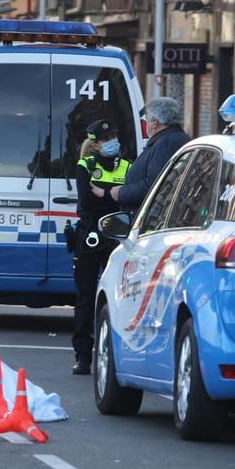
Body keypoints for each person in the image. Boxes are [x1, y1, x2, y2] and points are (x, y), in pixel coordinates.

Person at [71, 119, 131, 375]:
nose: (113, 142)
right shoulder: (85, 166)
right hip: (89, 238)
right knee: (85, 298)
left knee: (118, 299)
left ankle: (114, 356)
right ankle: (83, 357)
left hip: (117, 239)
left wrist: (104, 194)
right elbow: (87, 201)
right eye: (107, 139)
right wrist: (114, 195)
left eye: (114, 136)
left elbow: (130, 199)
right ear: (95, 145)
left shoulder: (128, 166)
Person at [108, 97, 190, 212]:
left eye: (147, 118)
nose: (146, 123)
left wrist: (121, 193)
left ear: (155, 123)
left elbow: (155, 185)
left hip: (151, 221)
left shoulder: (167, 143)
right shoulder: (170, 139)